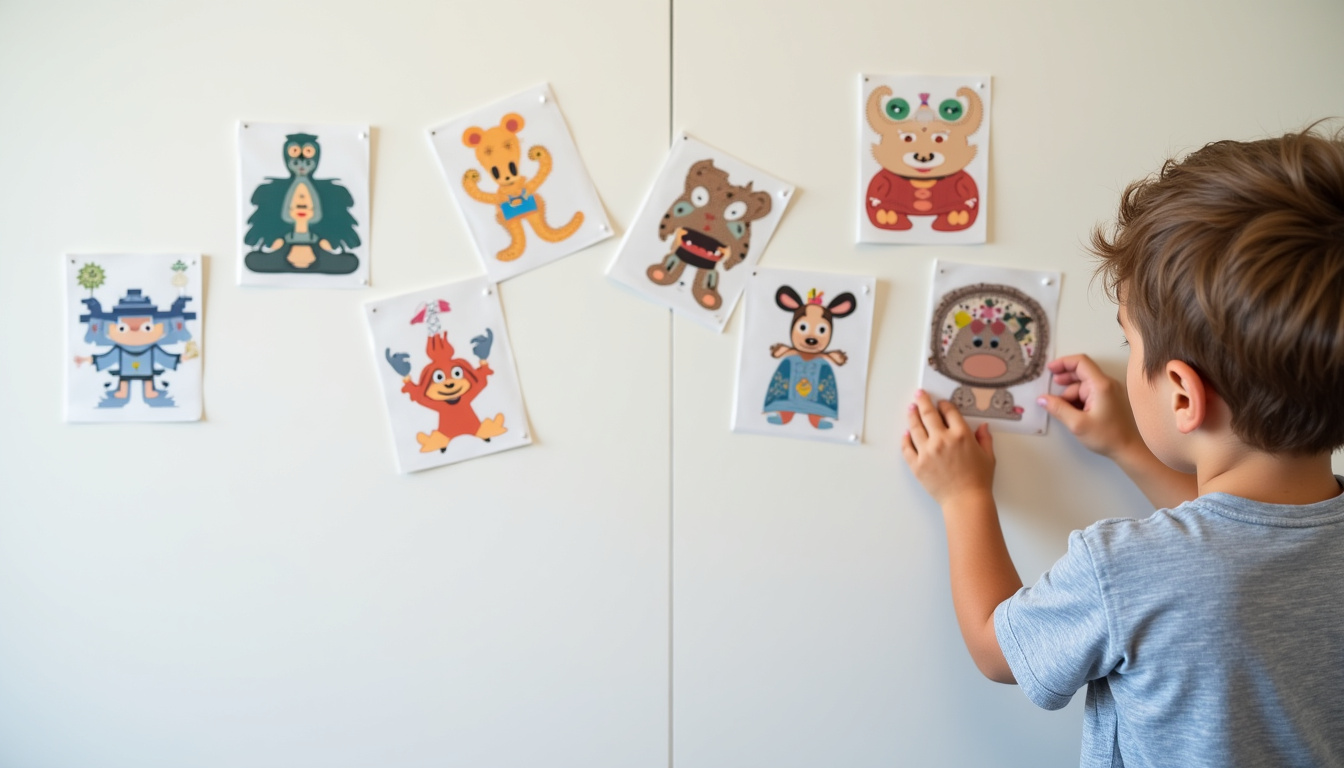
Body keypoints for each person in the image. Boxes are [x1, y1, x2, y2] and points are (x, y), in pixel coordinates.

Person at [901, 125, 1344, 767]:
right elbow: (1239, 536)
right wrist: (1130, 447)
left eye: (1130, 344)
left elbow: (997, 651)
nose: (1129, 360)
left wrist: (963, 494)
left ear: (1184, 397)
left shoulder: (1124, 570)